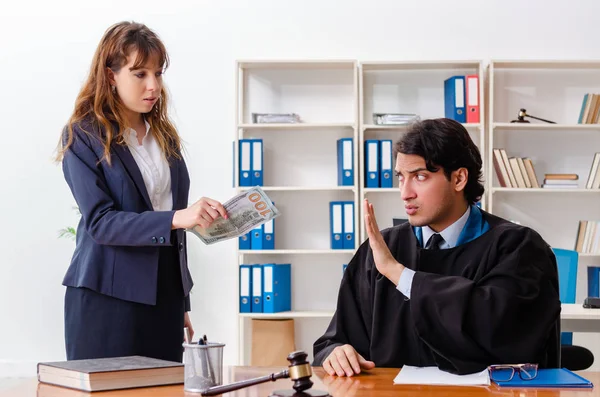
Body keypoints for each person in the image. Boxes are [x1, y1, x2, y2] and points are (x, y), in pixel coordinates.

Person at [313, 118, 561, 376]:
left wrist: (400, 275)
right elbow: (334, 340)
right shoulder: (380, 249)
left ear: (459, 179)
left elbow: (500, 330)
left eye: (420, 177)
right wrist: (337, 352)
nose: (405, 193)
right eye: (401, 177)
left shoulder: (519, 247)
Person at [56, 21, 227, 362]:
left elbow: (171, 228)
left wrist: (181, 303)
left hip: (163, 299)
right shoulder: (83, 136)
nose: (153, 86)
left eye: (158, 74)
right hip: (107, 300)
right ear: (110, 76)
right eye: (140, 74)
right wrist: (179, 217)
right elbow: (102, 223)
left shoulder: (165, 139)